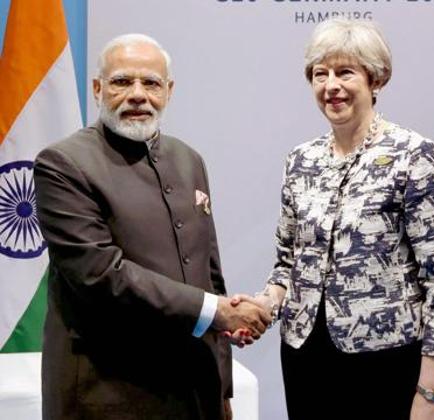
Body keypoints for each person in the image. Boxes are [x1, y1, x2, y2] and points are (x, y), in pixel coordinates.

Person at [230, 18, 434, 420]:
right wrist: (262, 307)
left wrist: (430, 390)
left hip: (386, 360)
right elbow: (288, 264)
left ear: (376, 79)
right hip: (305, 356)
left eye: (345, 73)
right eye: (320, 74)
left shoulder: (416, 156)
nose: (331, 86)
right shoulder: (301, 161)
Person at [33, 34, 271, 420]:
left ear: (169, 91)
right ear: (97, 88)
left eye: (151, 83)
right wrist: (216, 312)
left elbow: (209, 273)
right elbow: (99, 274)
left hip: (193, 391)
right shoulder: (62, 164)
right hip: (106, 394)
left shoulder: (188, 159)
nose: (138, 94)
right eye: (123, 81)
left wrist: (222, 385)